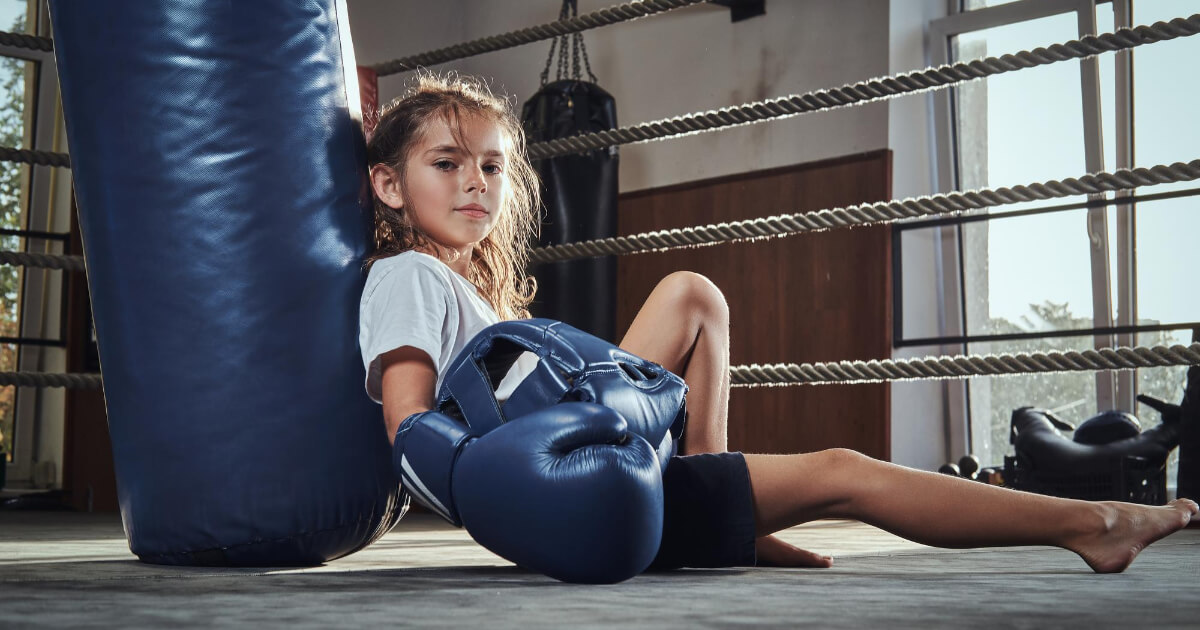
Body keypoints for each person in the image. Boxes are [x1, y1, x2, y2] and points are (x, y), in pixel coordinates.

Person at [358, 72, 1196, 574]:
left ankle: (719, 504)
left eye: (493, 166)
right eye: (446, 164)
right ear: (390, 187)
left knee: (693, 293)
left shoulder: (476, 292)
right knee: (844, 472)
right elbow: (413, 433)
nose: (476, 184)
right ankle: (1090, 525)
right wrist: (519, 497)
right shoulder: (407, 277)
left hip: (596, 466)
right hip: (568, 499)